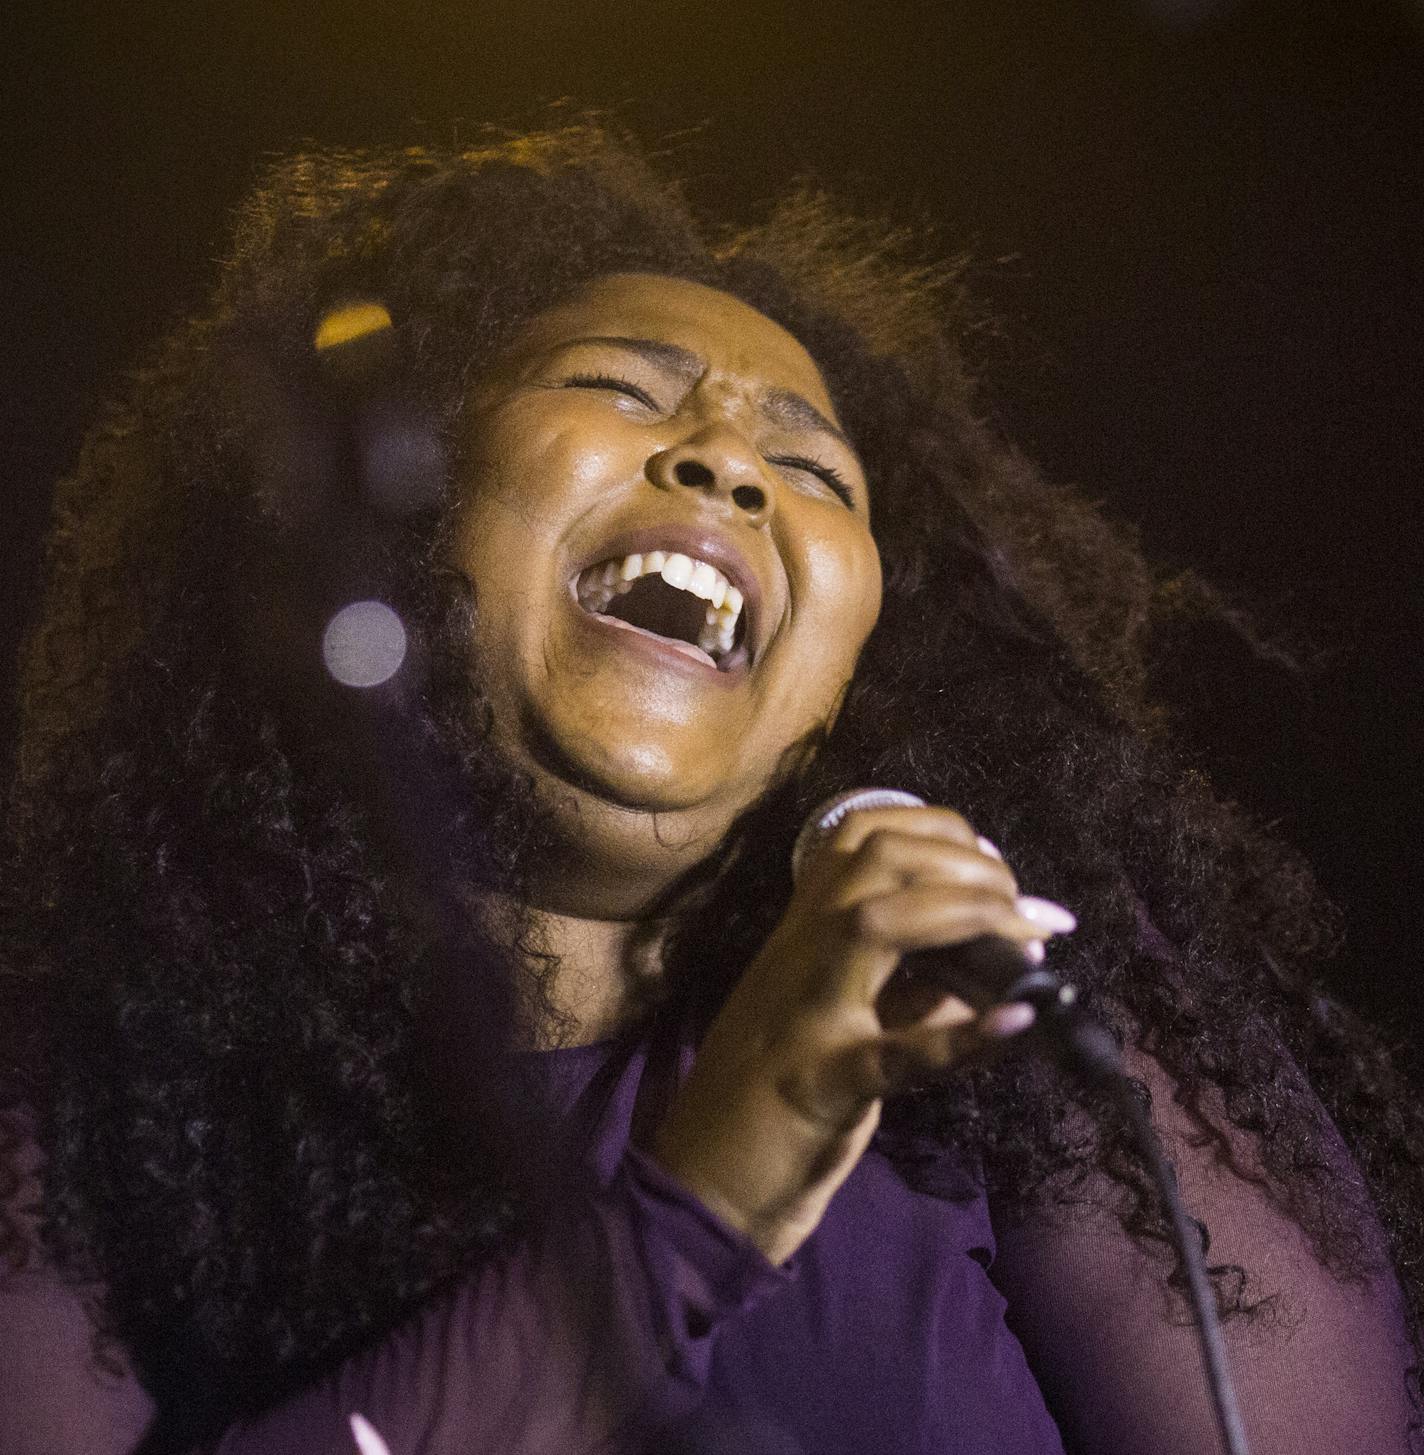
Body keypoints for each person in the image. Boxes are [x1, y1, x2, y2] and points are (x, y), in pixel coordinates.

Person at [1, 120, 1420, 1455]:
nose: (729, 461)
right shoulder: (103, 1098)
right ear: (399, 499)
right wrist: (711, 1194)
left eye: (814, 468)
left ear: (863, 674)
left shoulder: (1014, 1028)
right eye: (620, 388)